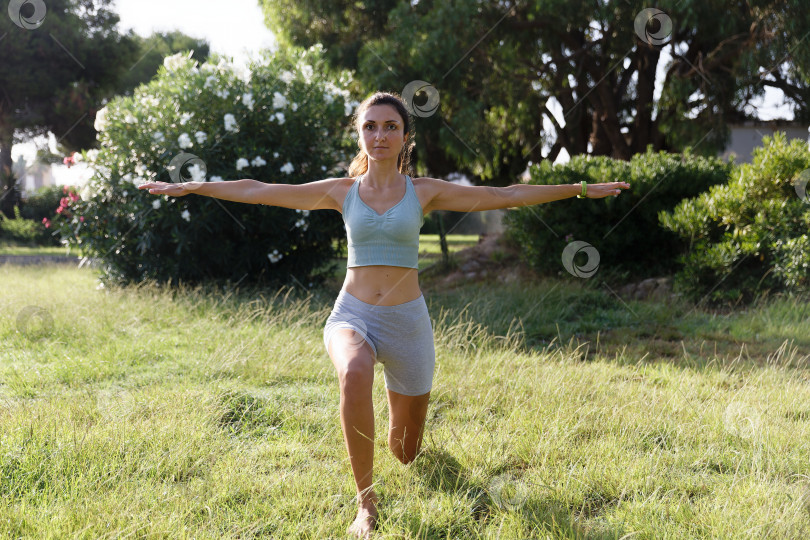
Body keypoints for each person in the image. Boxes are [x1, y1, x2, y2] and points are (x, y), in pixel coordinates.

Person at [139, 91, 630, 538]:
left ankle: (411, 445)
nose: (379, 135)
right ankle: (366, 505)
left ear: (405, 137)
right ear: (360, 134)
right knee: (353, 371)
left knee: (406, 451)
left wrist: (580, 189)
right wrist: (196, 187)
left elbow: (506, 196)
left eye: (390, 126)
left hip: (408, 323)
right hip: (352, 314)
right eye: (370, 126)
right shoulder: (340, 191)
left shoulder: (425, 191)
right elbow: (259, 189)